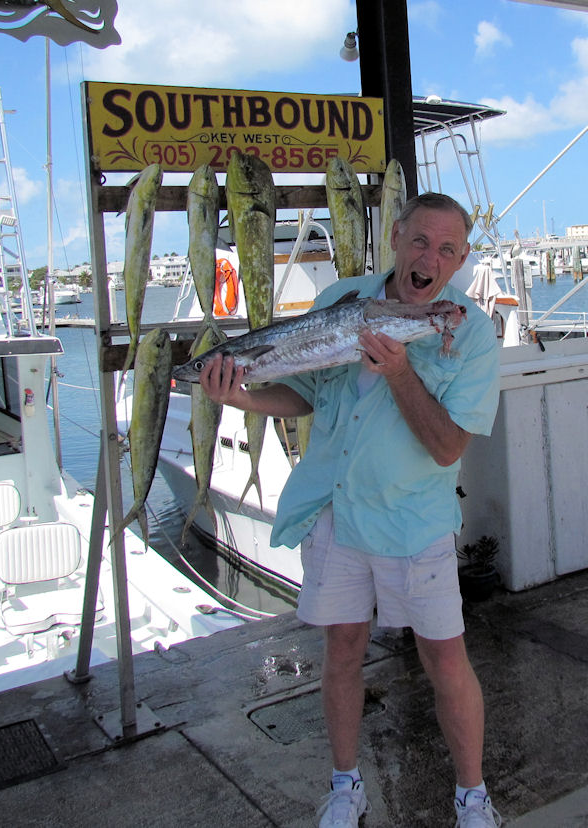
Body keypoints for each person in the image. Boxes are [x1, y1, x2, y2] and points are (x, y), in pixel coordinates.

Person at [199, 192, 502, 828]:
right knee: (342, 649)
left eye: (447, 248)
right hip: (336, 513)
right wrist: (240, 399)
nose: (431, 258)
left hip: (411, 521)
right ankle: (345, 786)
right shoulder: (342, 300)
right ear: (396, 236)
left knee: (446, 658)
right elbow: (300, 395)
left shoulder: (469, 330)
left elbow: (448, 448)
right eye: (420, 241)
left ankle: (472, 797)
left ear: (463, 258)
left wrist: (398, 372)